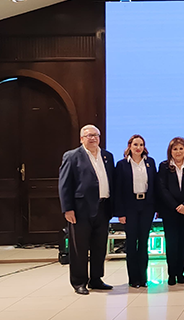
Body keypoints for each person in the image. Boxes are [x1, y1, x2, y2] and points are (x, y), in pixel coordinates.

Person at [58, 124, 116, 295]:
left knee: (99, 246)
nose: (93, 138)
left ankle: (96, 279)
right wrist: (68, 208)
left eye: (95, 135)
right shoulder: (72, 156)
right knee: (79, 248)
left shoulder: (107, 156)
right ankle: (79, 282)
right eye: (89, 135)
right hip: (80, 210)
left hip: (103, 207)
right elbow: (64, 184)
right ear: (81, 139)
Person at [157, 137, 184, 286]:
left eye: (181, 149)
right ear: (170, 151)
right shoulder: (164, 166)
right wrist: (176, 206)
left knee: (183, 243)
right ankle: (171, 273)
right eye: (175, 149)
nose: (178, 152)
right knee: (171, 243)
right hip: (170, 211)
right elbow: (162, 188)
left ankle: (180, 272)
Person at [114, 134, 156, 288]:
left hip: (147, 206)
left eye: (141, 145)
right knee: (131, 243)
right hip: (130, 206)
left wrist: (156, 208)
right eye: (135, 144)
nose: (138, 148)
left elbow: (154, 186)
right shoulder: (122, 165)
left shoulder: (150, 162)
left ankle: (143, 278)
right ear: (129, 146)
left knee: (144, 242)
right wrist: (120, 213)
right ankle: (133, 279)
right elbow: (118, 189)